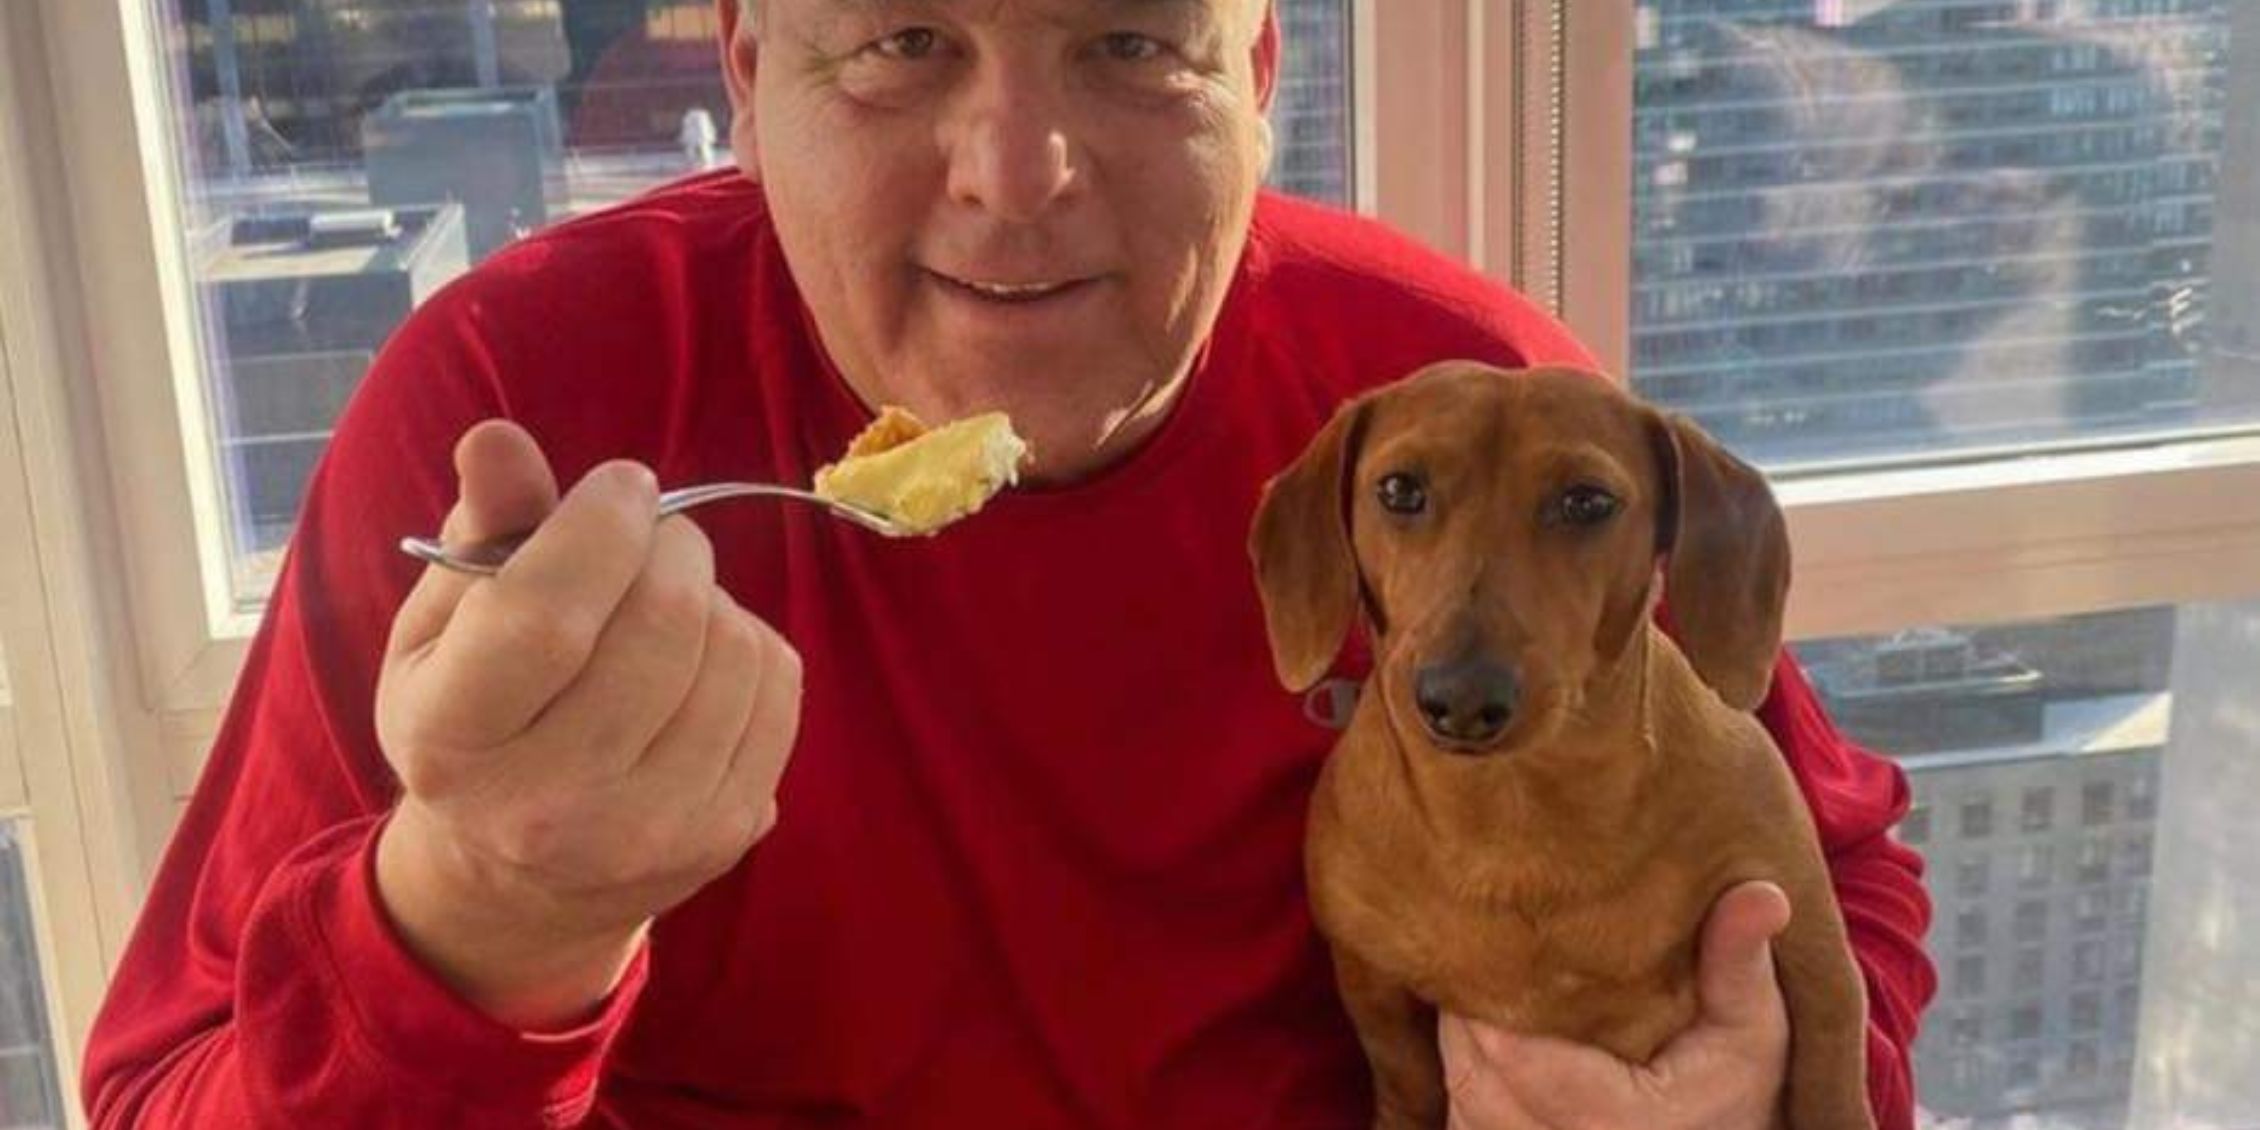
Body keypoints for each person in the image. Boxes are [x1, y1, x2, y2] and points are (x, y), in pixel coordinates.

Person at [82, 1, 1935, 1126]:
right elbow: (161, 1091)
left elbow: (1832, 876)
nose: (1020, 172)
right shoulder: (514, 420)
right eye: (901, 45)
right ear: (747, 64)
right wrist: (477, 922)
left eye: (1133, 44)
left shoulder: (1473, 421)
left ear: (1260, 70)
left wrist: (1733, 1084)